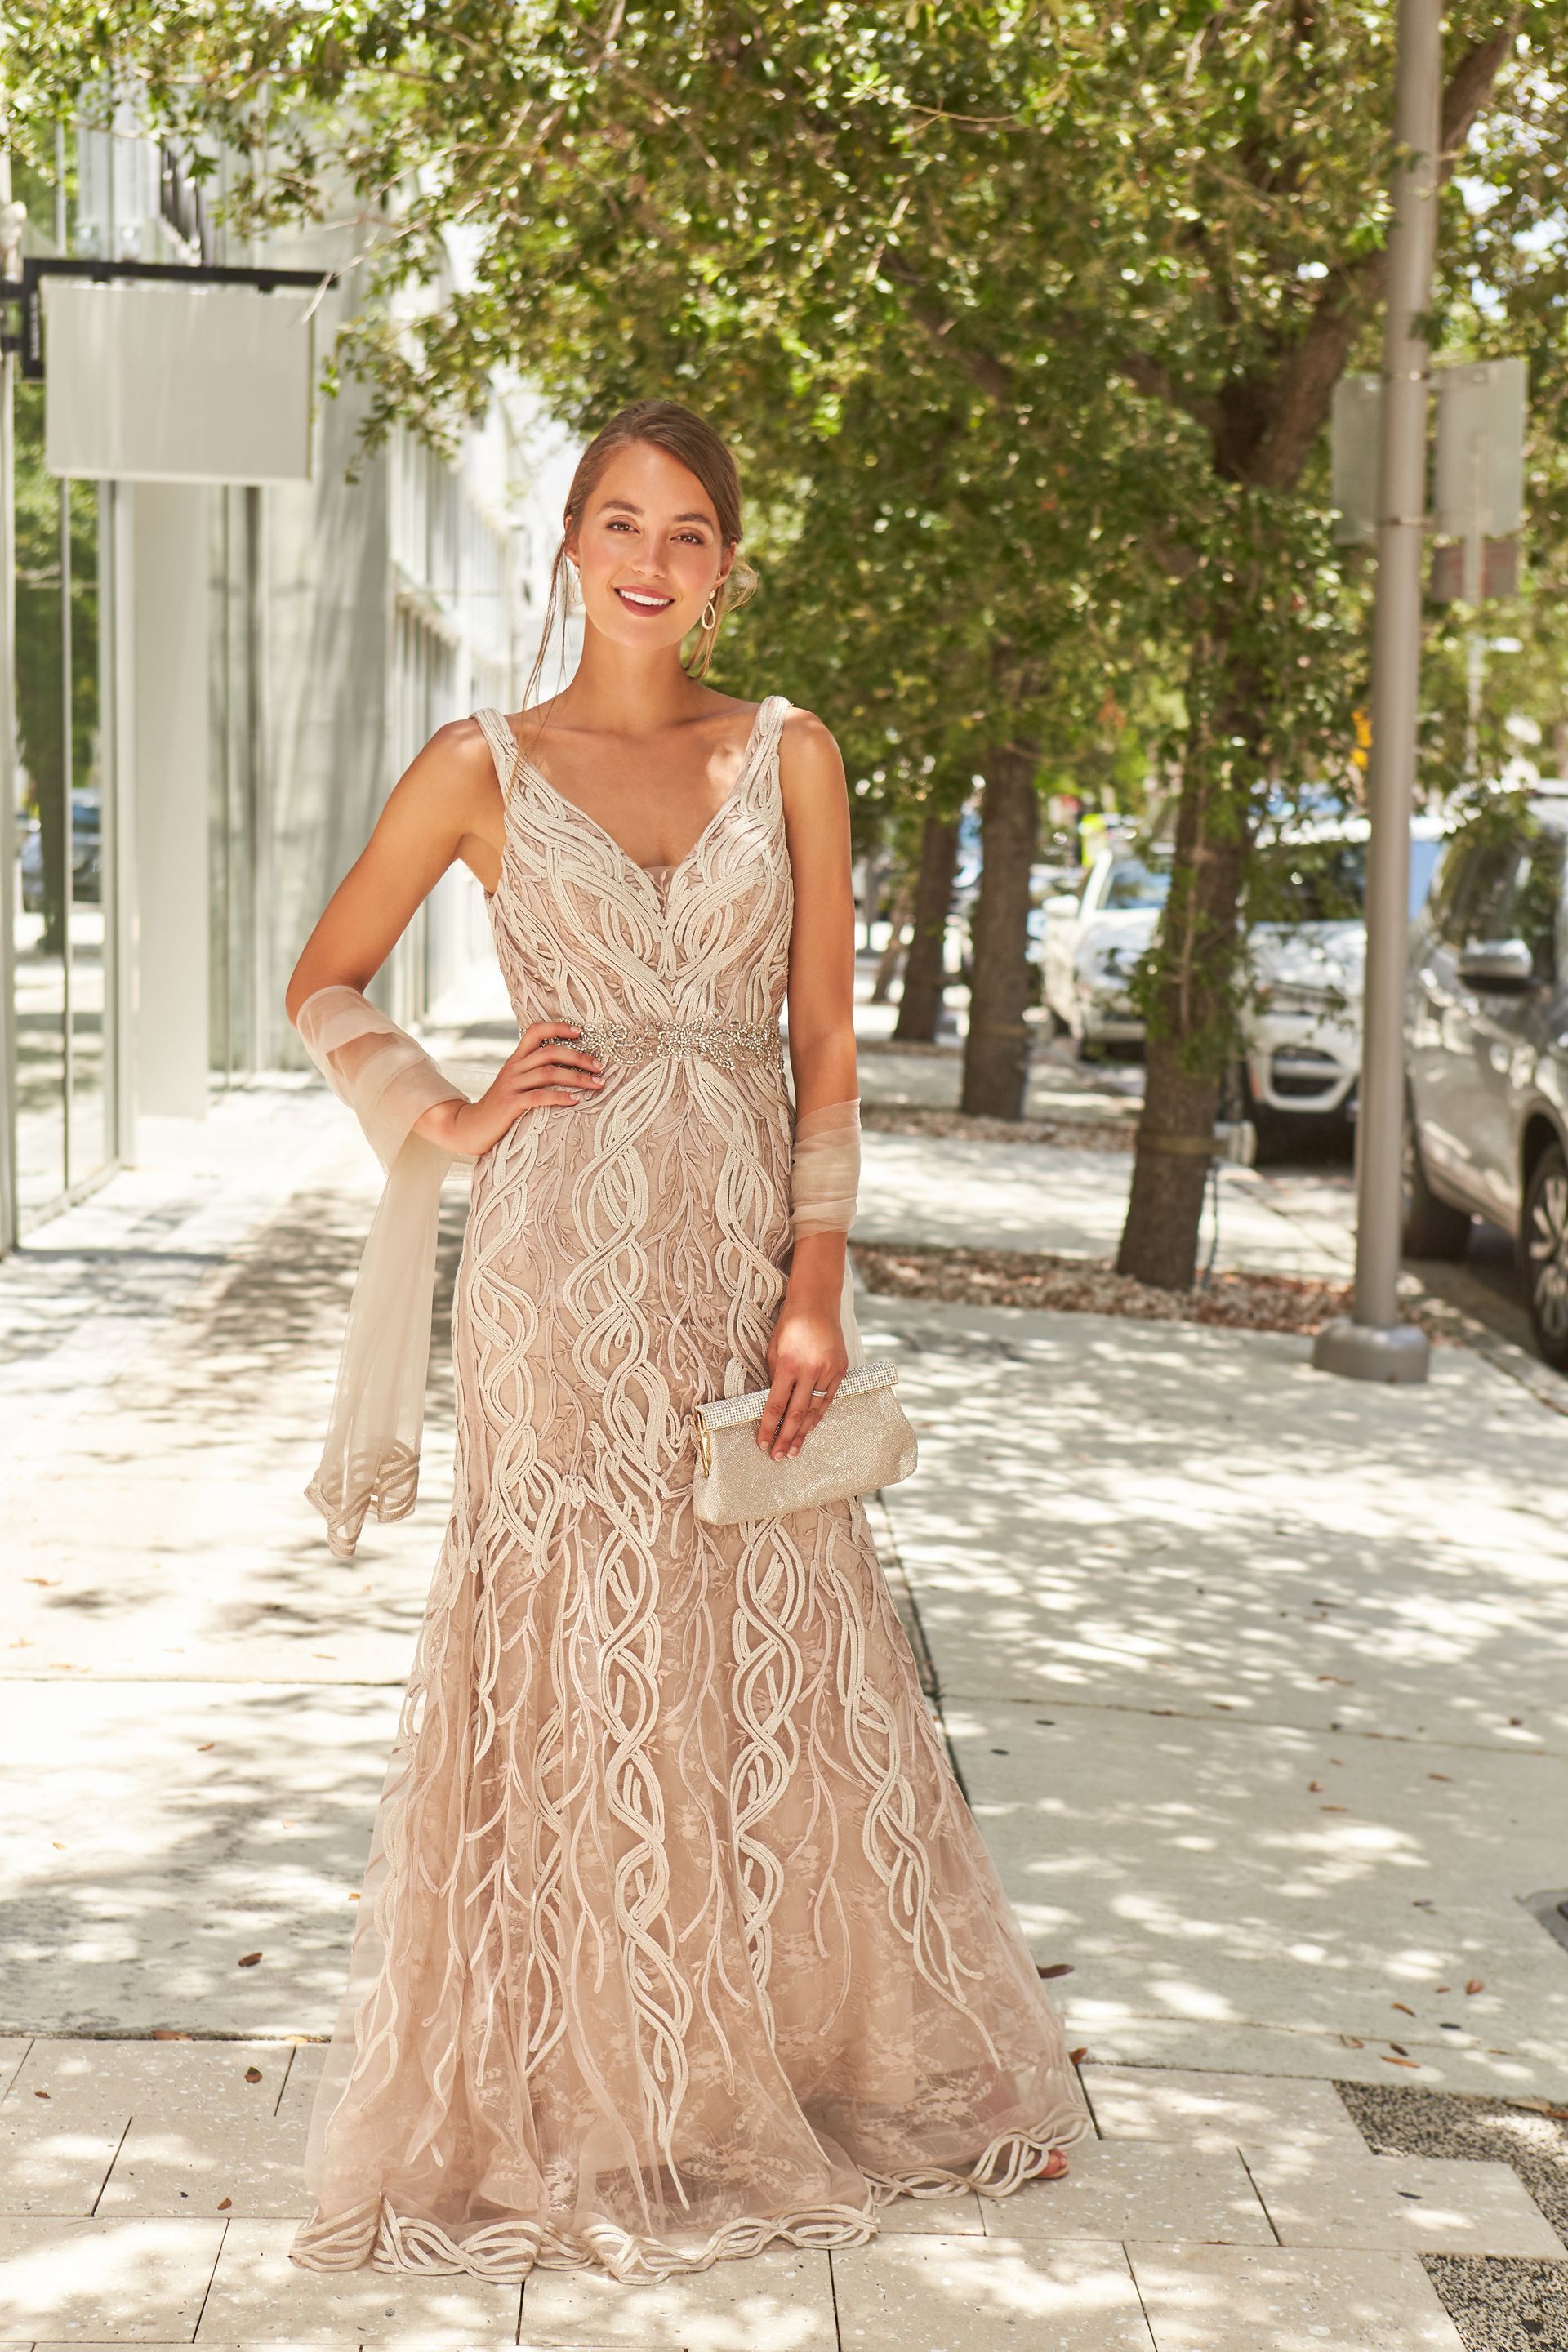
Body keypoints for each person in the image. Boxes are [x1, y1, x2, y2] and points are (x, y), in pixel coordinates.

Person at [283, 398, 1089, 2282]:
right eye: (623, 522)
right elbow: (325, 976)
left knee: (774, 1631)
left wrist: (820, 1274)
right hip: (558, 1266)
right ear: (569, 540)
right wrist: (450, 1116)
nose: (655, 559)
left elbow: (821, 1036)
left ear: (728, 567)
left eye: (695, 533)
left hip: (737, 1251)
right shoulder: (477, 766)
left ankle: (791, 2055)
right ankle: (592, 2087)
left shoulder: (787, 752)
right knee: (578, 1639)